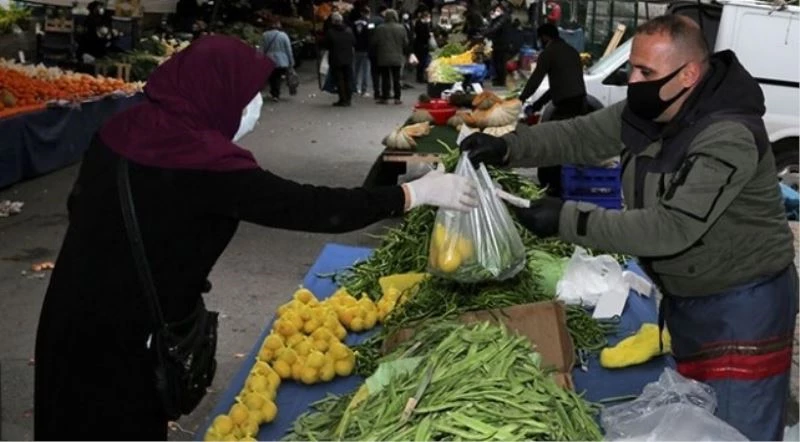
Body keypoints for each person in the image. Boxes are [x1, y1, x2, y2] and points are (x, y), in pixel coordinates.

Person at [33, 35, 477, 440]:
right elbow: (307, 207)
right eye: (248, 97)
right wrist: (411, 193)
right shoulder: (203, 161)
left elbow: (81, 206)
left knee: (66, 419)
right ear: (215, 89)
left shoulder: (120, 129)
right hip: (130, 340)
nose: (254, 107)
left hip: (68, 310)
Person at [460, 14, 797, 441]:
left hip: (743, 308)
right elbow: (578, 136)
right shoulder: (654, 107)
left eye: (646, 72)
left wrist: (567, 219)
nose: (633, 81)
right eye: (632, 68)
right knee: (702, 419)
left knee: (734, 429)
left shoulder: (728, 135)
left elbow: (671, 227)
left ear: (689, 74)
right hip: (691, 296)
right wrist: (508, 147)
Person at [518, 22, 588, 196]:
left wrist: (520, 99)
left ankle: (551, 185)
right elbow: (558, 86)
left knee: (551, 143)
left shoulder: (549, 53)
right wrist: (537, 105)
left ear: (544, 37)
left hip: (566, 105)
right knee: (567, 143)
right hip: (581, 103)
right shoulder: (571, 51)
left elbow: (535, 80)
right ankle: (560, 181)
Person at [370, 9, 409, 105]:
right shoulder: (401, 28)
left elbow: (374, 42)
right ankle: (397, 97)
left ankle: (385, 97)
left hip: (383, 56)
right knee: (396, 78)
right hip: (397, 56)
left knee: (385, 78)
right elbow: (406, 43)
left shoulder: (380, 28)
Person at [325, 12, 356, 106]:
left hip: (336, 58)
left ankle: (343, 99)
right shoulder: (349, 31)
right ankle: (348, 98)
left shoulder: (330, 32)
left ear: (333, 22)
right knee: (348, 79)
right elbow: (354, 42)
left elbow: (327, 45)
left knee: (339, 80)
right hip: (348, 58)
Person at [261, 16, 295, 101]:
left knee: (272, 76)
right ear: (278, 25)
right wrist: (291, 61)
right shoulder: (283, 36)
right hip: (281, 61)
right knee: (277, 76)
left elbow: (261, 49)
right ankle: (276, 93)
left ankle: (274, 92)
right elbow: (288, 49)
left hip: (268, 59)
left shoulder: (265, 35)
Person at [485, 3, 513, 87]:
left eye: (498, 10)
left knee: (501, 63)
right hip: (498, 42)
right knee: (496, 61)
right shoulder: (500, 18)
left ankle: (501, 81)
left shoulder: (504, 18)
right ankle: (498, 78)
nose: (496, 12)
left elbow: (494, 28)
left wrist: (484, 33)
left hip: (503, 43)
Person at [352, 6, 372, 96]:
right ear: (368, 13)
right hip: (366, 49)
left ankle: (354, 88)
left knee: (356, 69)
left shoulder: (355, 23)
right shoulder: (370, 23)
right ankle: (364, 90)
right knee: (365, 70)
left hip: (357, 49)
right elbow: (371, 36)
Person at [368, 5, 387, 101]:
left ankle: (376, 91)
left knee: (374, 73)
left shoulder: (371, 20)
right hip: (382, 51)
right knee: (384, 73)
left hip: (372, 51)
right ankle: (384, 92)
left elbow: (368, 32)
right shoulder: (384, 22)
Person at [413, 10, 433, 84]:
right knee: (421, 62)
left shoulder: (419, 24)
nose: (429, 18)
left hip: (420, 45)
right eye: (428, 17)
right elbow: (424, 35)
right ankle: (420, 77)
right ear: (425, 17)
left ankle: (420, 77)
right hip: (421, 46)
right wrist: (429, 35)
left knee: (421, 62)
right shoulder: (422, 25)